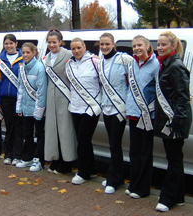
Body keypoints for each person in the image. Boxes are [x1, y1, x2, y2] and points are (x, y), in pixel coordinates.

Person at [154, 31, 192, 212]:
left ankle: (167, 199)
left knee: (174, 160)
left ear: (173, 46)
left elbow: (183, 97)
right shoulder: (164, 65)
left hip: (176, 120)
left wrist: (177, 121)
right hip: (170, 118)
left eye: (163, 45)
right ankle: (179, 197)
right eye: (158, 44)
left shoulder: (175, 66)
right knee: (175, 158)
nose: (159, 48)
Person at [98, 33, 133, 194]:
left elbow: (134, 80)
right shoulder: (100, 62)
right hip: (106, 107)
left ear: (113, 44)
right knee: (113, 144)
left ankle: (114, 179)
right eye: (102, 44)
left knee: (115, 144)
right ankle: (117, 177)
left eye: (107, 44)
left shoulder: (124, 59)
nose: (104, 47)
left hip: (120, 108)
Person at [125, 35, 159, 199]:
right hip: (132, 114)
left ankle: (143, 189)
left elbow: (161, 89)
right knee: (134, 152)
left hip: (147, 115)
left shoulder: (156, 64)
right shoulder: (132, 63)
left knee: (145, 153)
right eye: (134, 46)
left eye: (140, 45)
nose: (137, 48)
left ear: (147, 46)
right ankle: (133, 184)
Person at [66, 38, 101, 185]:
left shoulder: (95, 62)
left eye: (79, 48)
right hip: (75, 107)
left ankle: (83, 172)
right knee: (84, 140)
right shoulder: (69, 64)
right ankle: (91, 169)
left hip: (91, 107)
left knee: (83, 139)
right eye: (73, 48)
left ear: (85, 47)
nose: (76, 51)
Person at [43, 29, 77, 174]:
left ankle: (67, 162)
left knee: (65, 130)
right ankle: (55, 159)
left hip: (65, 97)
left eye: (54, 42)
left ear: (60, 42)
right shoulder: (46, 57)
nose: (52, 44)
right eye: (49, 42)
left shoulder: (68, 54)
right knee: (52, 130)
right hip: (50, 99)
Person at [15, 42, 47, 172]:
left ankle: (38, 159)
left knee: (39, 134)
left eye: (28, 52)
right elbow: (20, 88)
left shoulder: (40, 67)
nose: (25, 55)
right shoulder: (21, 67)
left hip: (37, 108)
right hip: (26, 107)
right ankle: (27, 157)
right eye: (23, 52)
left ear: (34, 52)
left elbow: (42, 91)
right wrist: (19, 107)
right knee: (27, 133)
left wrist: (39, 111)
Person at [0, 34, 24, 166]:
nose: (9, 46)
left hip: (20, 99)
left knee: (19, 127)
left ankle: (17, 155)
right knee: (9, 126)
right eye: (6, 44)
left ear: (16, 44)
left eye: (11, 43)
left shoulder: (23, 58)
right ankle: (8, 154)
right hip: (5, 99)